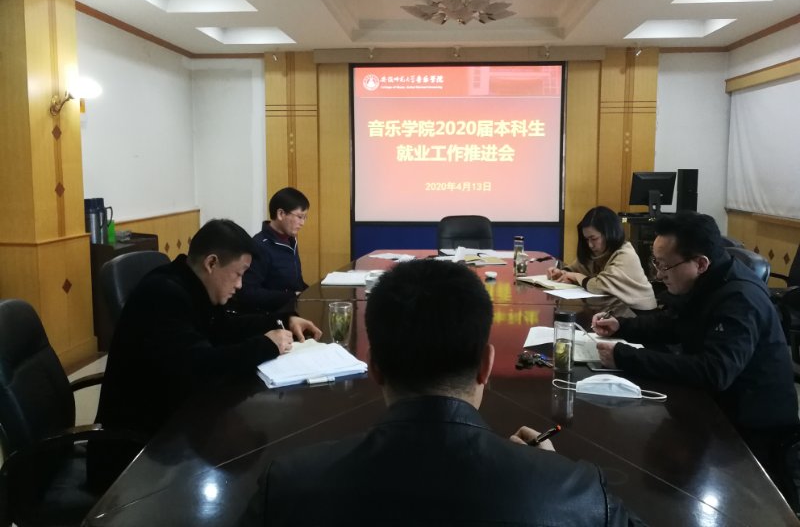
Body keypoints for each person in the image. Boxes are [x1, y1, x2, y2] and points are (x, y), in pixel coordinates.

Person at [247, 260, 638, 526]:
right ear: (486, 365)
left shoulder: (289, 485)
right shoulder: (578, 491)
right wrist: (550, 474)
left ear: (375, 368)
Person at [88, 219, 321, 489]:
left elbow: (223, 328)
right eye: (238, 274)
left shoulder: (192, 285)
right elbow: (201, 366)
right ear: (211, 263)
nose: (240, 285)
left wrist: (282, 321)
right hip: (137, 454)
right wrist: (266, 345)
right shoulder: (163, 295)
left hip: (173, 424)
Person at [592, 211, 799, 509]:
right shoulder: (706, 282)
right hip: (716, 407)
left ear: (700, 263)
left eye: (665, 265)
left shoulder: (740, 299)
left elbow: (714, 371)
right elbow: (673, 323)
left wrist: (626, 356)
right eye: (655, 263)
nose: (658, 274)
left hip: (750, 434)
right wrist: (622, 326)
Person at [548, 206, 656, 310]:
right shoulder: (598, 253)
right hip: (616, 311)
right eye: (586, 239)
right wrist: (562, 273)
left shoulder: (625, 255)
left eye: (594, 238)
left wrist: (576, 276)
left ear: (609, 234)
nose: (590, 245)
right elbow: (577, 268)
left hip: (639, 314)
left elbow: (599, 286)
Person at [237, 187, 309, 312]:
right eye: (299, 216)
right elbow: (249, 292)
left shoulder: (291, 240)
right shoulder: (259, 245)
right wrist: (291, 296)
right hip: (272, 315)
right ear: (281, 214)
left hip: (293, 308)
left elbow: (296, 283)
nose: (302, 223)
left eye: (305, 217)